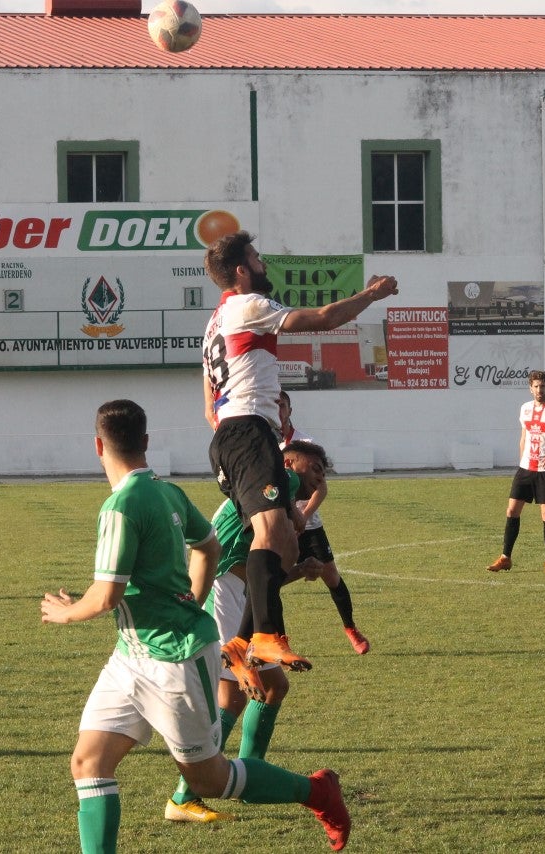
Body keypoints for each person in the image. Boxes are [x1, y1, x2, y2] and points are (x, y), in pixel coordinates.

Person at [41, 399, 351, 852]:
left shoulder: (120, 506)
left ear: (98, 446)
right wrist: (192, 597)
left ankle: (318, 792)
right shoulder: (167, 492)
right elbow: (207, 546)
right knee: (88, 764)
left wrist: (64, 611)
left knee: (209, 779)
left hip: (174, 661)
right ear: (146, 442)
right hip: (131, 655)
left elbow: (106, 596)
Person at [201, 230, 397, 672]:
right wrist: (372, 293)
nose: (263, 264)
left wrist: (235, 432)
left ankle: (241, 641)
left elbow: (208, 403)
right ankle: (265, 636)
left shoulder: (215, 322)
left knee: (287, 540)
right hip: (248, 432)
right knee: (273, 535)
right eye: (256, 258)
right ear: (240, 270)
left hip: (235, 434)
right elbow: (324, 319)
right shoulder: (248, 305)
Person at [164, 447, 325, 824]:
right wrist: (310, 500)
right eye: (315, 467)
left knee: (272, 688)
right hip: (221, 590)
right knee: (235, 696)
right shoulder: (281, 480)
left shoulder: (269, 495)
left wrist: (298, 570)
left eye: (325, 471)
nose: (321, 476)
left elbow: (261, 574)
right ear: (288, 464)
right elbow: (253, 562)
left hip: (237, 591)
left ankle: (249, 778)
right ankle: (184, 796)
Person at [279, 393, 370, 655]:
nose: (278, 410)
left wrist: (304, 517)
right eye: (273, 405)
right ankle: (280, 642)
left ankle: (351, 628)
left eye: (282, 405)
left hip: (309, 525)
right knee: (272, 581)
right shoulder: (265, 443)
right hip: (278, 524)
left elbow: (321, 487)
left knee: (331, 576)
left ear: (290, 409)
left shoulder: (306, 444)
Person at [487, 370, 545, 575]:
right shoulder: (525, 409)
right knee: (511, 511)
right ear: (530, 388)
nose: (539, 390)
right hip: (526, 469)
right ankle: (505, 558)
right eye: (536, 386)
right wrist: (521, 463)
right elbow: (523, 437)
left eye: (543, 386)